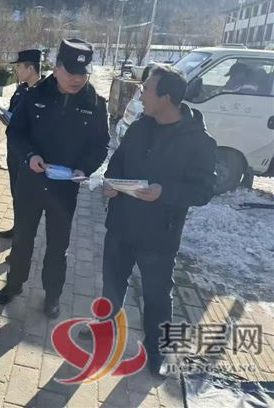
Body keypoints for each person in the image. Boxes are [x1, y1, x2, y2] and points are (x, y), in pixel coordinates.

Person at [99, 64, 216, 375]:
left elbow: (204, 189)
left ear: (166, 97)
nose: (141, 94)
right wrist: (111, 183)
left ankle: (158, 351)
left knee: (157, 296)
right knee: (112, 283)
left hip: (159, 234)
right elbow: (117, 163)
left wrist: (165, 191)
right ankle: (105, 329)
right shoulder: (140, 127)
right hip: (121, 224)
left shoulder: (199, 141)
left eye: (147, 89)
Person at [0, 39, 110, 319]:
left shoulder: (95, 103)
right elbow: (16, 132)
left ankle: (53, 295)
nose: (76, 79)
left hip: (65, 188)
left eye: (82, 73)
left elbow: (100, 145)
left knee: (58, 245)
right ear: (56, 69)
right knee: (23, 238)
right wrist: (29, 156)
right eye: (70, 72)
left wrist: (84, 168)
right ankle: (14, 284)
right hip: (31, 182)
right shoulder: (35, 95)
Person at [0, 49, 44, 239]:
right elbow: (14, 112)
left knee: (28, 197)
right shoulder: (21, 89)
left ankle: (24, 236)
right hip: (14, 151)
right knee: (16, 193)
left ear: (31, 68)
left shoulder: (45, 92)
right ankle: (18, 227)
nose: (16, 70)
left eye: (19, 67)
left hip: (31, 154)